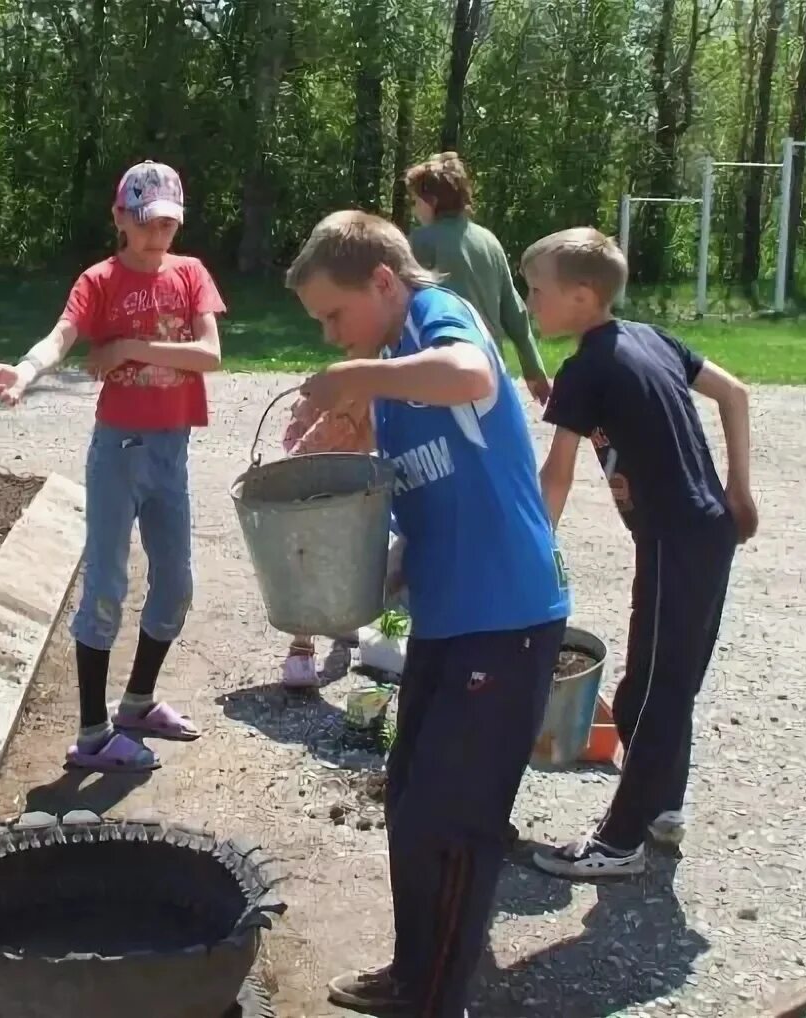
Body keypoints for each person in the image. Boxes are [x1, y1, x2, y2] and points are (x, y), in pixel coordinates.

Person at [288, 210, 570, 1018]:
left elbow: (477, 376)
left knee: (450, 826)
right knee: (410, 807)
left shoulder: (436, 323)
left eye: (335, 317)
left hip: (507, 616)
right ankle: (415, 971)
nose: (334, 339)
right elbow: (428, 504)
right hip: (450, 619)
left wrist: (355, 380)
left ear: (382, 282)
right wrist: (360, 585)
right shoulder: (396, 377)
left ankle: (432, 997)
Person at [522, 228, 758, 879]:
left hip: (679, 539)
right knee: (652, 689)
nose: (530, 301)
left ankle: (618, 843)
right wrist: (737, 491)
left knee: (654, 693)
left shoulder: (586, 368)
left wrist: (535, 554)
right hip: (699, 534)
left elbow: (558, 474)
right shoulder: (649, 338)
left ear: (582, 295)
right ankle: (664, 808)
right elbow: (735, 394)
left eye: (537, 290)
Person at [0, 160, 226, 773]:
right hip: (119, 449)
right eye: (147, 223)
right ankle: (92, 738)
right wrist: (27, 371)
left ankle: (137, 703)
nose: (158, 235)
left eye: (169, 223)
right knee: (106, 588)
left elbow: (209, 354)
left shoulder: (192, 273)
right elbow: (63, 335)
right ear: (120, 218)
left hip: (173, 446)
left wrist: (127, 347)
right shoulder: (100, 280)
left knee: (175, 584)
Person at [406, 151, 551, 406]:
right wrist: (533, 366)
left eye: (415, 201)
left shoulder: (421, 241)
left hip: (445, 368)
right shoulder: (489, 241)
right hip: (491, 367)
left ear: (433, 200)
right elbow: (513, 310)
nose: (414, 209)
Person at [277, 395, 373, 688]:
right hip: (315, 470)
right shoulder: (351, 399)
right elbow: (304, 451)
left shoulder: (384, 392)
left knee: (348, 548)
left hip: (347, 465)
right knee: (313, 555)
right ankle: (300, 650)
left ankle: (343, 621)